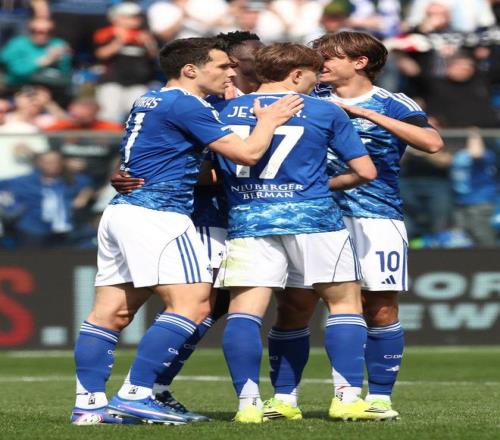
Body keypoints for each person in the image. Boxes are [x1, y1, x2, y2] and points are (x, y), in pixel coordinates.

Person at [70, 36, 303, 426]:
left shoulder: (149, 99)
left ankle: (89, 405)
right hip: (158, 213)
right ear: (191, 70)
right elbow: (247, 154)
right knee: (194, 304)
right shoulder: (186, 103)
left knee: (111, 312)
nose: (230, 74)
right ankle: (136, 394)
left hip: (123, 212)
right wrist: (268, 121)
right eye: (222, 66)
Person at [262, 31, 443, 420]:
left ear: (360, 62)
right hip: (312, 215)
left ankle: (378, 398)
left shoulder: (393, 102)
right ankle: (284, 399)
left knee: (380, 307)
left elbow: (432, 143)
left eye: (329, 56)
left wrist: (366, 115)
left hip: (376, 217)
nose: (320, 63)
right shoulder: (307, 98)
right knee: (295, 305)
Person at [213, 42, 388, 424]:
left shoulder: (222, 111)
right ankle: (346, 398)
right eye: (312, 75)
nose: (316, 83)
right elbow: (366, 171)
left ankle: (248, 405)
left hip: (248, 219)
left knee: (245, 312)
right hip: (314, 219)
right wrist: (319, 186)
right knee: (344, 303)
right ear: (295, 75)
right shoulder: (324, 110)